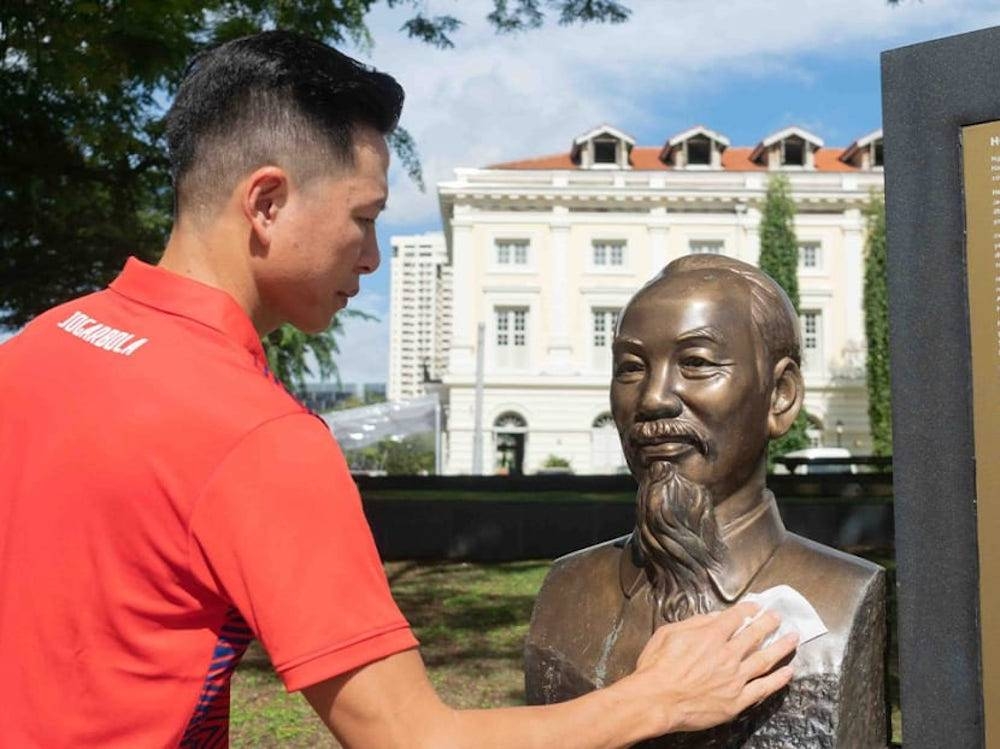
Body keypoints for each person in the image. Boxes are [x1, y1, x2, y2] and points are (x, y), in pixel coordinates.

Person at [0, 32, 797, 748]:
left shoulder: (41, 342)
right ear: (268, 203)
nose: (373, 257)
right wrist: (656, 699)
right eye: (365, 217)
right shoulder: (255, 436)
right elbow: (412, 739)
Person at [525, 254, 886, 747]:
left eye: (695, 363)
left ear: (780, 396)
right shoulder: (567, 590)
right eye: (630, 368)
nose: (653, 398)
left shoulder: (845, 595)